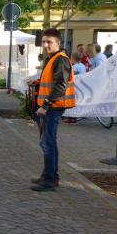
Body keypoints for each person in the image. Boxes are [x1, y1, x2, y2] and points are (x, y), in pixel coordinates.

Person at [31, 28, 75, 192]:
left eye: (49, 42)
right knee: (48, 143)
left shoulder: (60, 59)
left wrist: (45, 105)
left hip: (52, 108)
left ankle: (49, 180)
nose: (45, 45)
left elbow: (60, 85)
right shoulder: (53, 58)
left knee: (48, 143)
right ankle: (49, 176)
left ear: (58, 43)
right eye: (43, 42)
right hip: (49, 108)